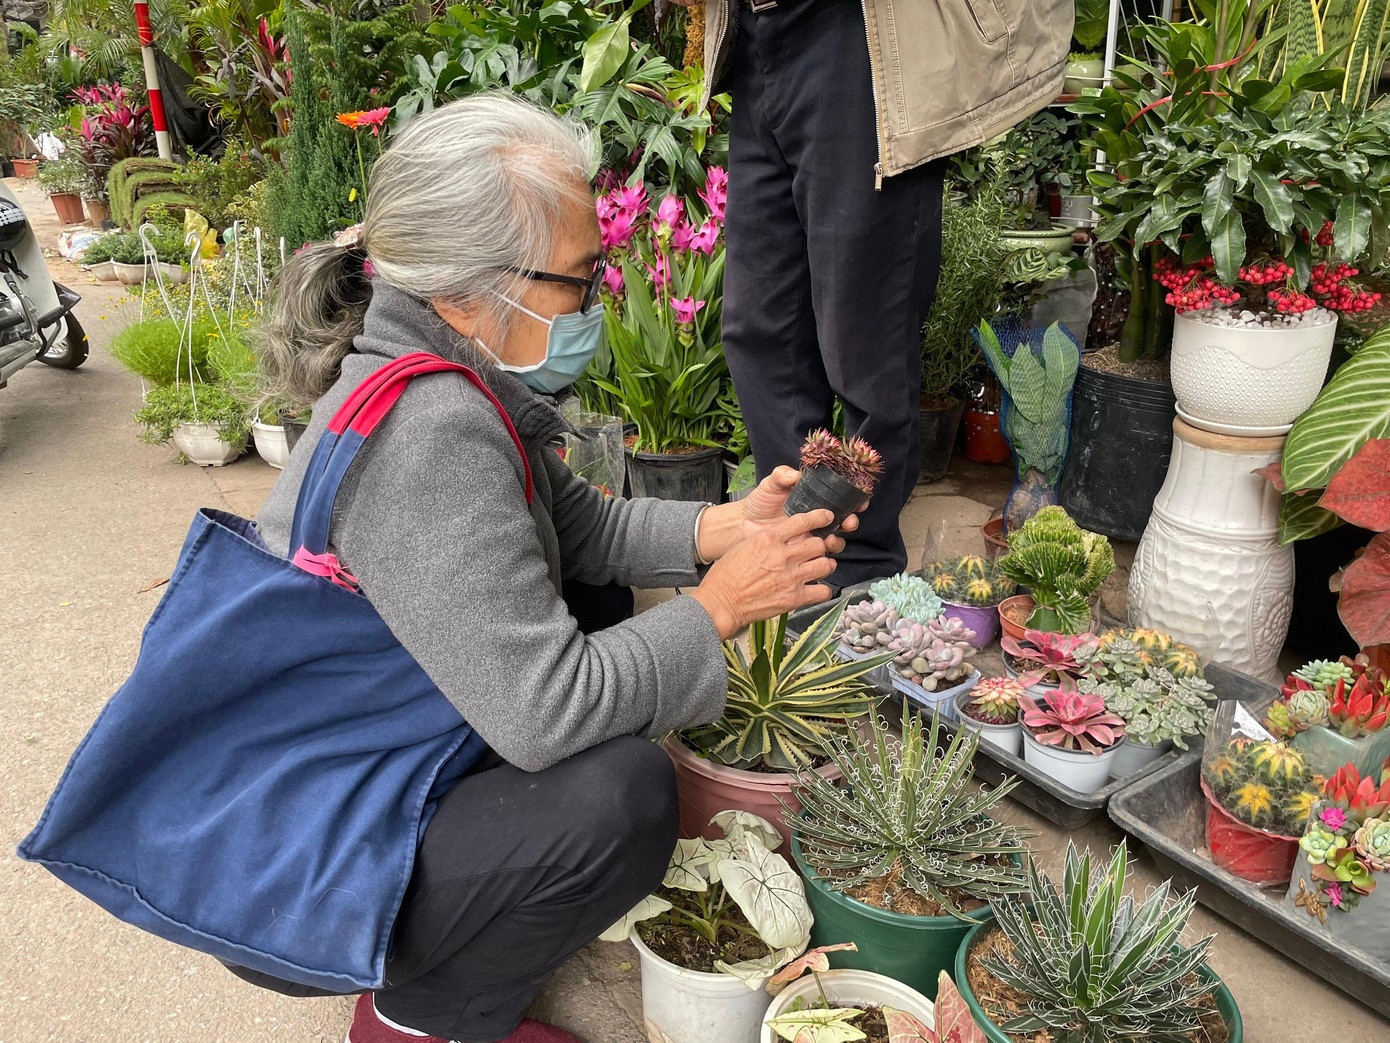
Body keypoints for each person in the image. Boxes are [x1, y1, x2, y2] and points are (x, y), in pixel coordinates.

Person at [245, 94, 853, 1043]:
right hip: (307, 860)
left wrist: (724, 528)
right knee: (624, 798)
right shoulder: (430, 433)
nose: (596, 299)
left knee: (597, 598)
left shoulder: (450, 373)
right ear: (467, 289)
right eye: (580, 277)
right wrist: (720, 608)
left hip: (359, 769)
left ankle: (447, 950)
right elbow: (545, 712)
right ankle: (419, 1018)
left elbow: (583, 527)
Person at [691, 0, 1070, 586]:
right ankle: (794, 549)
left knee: (864, 339)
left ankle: (860, 571)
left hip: (858, 37)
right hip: (757, 32)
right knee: (761, 327)